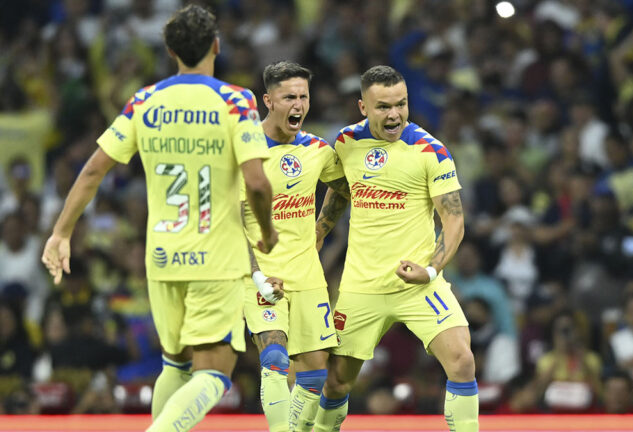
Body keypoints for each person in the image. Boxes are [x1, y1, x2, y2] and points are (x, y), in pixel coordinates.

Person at [40, 5, 277, 431]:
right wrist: (267, 230)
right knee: (214, 373)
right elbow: (258, 184)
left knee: (176, 362)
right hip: (215, 260)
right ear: (216, 47)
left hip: (162, 258)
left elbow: (93, 169)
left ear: (170, 50)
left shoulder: (144, 101)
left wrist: (62, 232)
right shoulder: (235, 101)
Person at [314, 65, 478, 431]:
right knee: (336, 381)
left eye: (401, 104)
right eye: (383, 106)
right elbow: (341, 190)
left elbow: (453, 221)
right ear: (363, 107)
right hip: (361, 287)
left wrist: (431, 270)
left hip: (418, 284)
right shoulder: (345, 142)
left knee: (462, 361)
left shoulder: (430, 150)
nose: (394, 114)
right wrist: (320, 230)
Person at [241, 61, 349, 432]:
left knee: (316, 375)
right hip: (259, 271)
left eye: (304, 96)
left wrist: (322, 227)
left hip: (307, 272)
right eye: (289, 97)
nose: (299, 105)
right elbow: (228, 221)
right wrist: (255, 273)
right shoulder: (245, 153)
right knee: (274, 357)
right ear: (268, 100)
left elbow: (344, 187)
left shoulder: (317, 149)